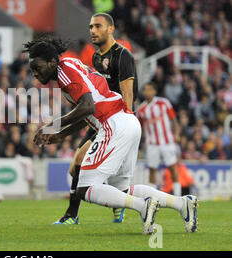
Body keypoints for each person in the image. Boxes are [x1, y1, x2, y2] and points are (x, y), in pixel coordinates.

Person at [23, 36, 198, 234]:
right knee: (122, 190)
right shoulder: (71, 64)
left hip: (113, 124)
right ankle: (183, 204)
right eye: (32, 70)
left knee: (85, 189)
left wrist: (51, 125)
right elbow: (89, 110)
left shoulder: (64, 74)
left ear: (52, 62)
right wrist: (62, 134)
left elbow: (88, 106)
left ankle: (143, 207)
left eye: (37, 67)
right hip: (127, 121)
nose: (35, 74)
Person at [55, 13, 137, 225]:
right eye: (91, 26)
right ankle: (74, 215)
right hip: (100, 118)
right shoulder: (95, 57)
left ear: (111, 29)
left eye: (98, 26)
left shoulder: (123, 55)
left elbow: (127, 94)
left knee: (91, 166)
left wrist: (124, 123)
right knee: (76, 166)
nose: (92, 30)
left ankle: (74, 215)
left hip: (117, 120)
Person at [136, 82, 182, 196]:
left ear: (154, 91)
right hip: (152, 143)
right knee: (152, 169)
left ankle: (178, 195)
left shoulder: (163, 103)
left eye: (150, 89)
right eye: (145, 90)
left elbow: (174, 120)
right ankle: (153, 197)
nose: (147, 92)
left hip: (167, 142)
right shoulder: (141, 109)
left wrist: (176, 134)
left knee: (172, 167)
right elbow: (139, 129)